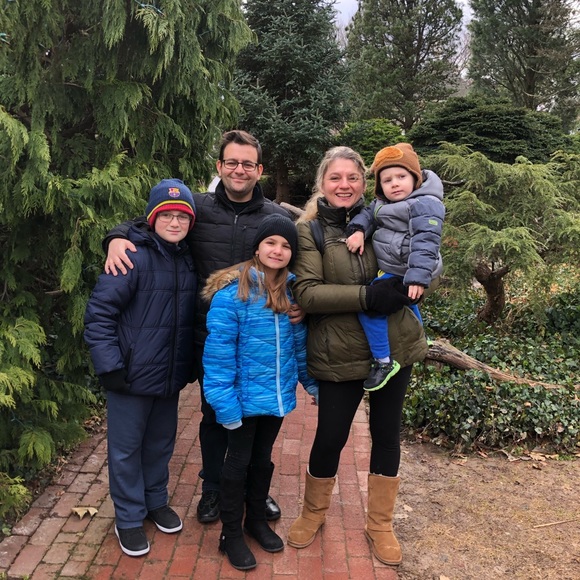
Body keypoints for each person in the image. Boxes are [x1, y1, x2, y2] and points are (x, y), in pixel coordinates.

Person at [103, 130, 294, 524]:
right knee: (214, 417)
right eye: (231, 162)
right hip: (209, 338)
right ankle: (213, 489)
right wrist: (116, 238)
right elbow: (151, 223)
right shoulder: (199, 208)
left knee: (258, 419)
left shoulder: (275, 216)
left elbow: (302, 261)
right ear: (219, 166)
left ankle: (254, 490)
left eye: (247, 164)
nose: (239, 170)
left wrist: (303, 301)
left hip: (258, 341)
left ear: (259, 170)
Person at [286, 146, 433, 566]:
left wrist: (420, 279)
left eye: (353, 177)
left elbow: (423, 260)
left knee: (386, 435)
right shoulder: (309, 232)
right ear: (322, 183)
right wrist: (369, 296)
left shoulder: (389, 214)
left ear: (364, 182)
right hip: (339, 351)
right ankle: (313, 512)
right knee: (330, 436)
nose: (344, 185)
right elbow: (307, 293)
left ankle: (380, 524)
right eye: (335, 177)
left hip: (395, 346)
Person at [84, 179, 197, 557]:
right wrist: (109, 367)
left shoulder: (187, 258)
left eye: (182, 216)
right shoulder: (131, 256)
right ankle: (129, 518)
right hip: (129, 377)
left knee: (160, 444)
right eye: (166, 215)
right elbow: (100, 315)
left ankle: (154, 501)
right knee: (126, 450)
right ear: (152, 218)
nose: (175, 222)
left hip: (168, 376)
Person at [202, 214, 318, 571]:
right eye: (271, 243)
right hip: (242, 402)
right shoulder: (231, 295)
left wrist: (311, 385)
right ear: (257, 248)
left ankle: (255, 520)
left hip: (276, 398)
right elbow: (218, 357)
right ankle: (230, 534)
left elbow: (298, 350)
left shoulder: (291, 295)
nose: (277, 250)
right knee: (237, 463)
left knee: (262, 459)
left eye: (285, 246)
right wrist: (224, 405)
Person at [345, 142, 445, 391]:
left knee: (371, 307)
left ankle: (383, 361)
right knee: (408, 302)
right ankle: (420, 337)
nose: (395, 184)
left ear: (415, 179)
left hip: (412, 268)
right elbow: (368, 215)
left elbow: (426, 241)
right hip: (398, 266)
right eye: (387, 180)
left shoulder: (424, 203)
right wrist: (358, 230)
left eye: (401, 177)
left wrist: (417, 277)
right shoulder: (383, 203)